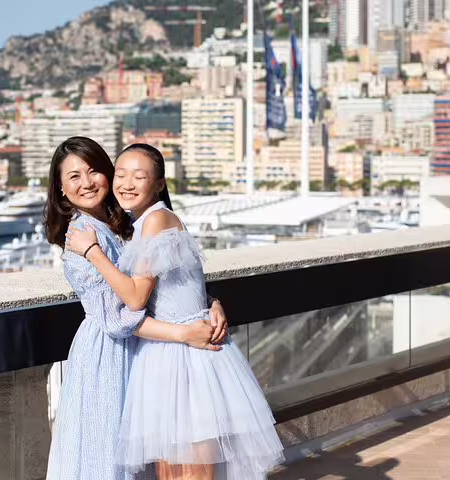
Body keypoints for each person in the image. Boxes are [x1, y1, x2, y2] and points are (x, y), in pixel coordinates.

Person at [66, 143, 284, 480]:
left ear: (159, 183)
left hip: (185, 357)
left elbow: (136, 299)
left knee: (190, 471)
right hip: (165, 356)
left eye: (139, 176)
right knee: (173, 471)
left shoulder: (155, 220)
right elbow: (180, 283)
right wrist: (211, 301)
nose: (126, 183)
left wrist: (93, 252)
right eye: (121, 174)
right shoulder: (137, 224)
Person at [44, 137, 229, 480]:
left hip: (148, 352)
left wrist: (209, 302)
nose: (86, 183)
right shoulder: (81, 238)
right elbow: (119, 317)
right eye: (73, 177)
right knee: (108, 456)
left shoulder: (126, 225)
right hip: (108, 356)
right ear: (61, 189)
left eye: (94, 171)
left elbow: (167, 281)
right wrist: (185, 333)